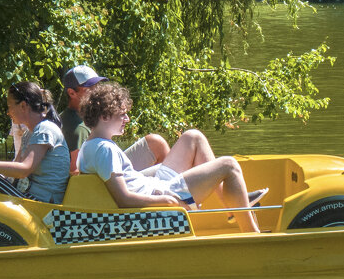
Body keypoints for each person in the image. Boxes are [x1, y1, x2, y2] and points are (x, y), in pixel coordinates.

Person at [78, 82, 262, 233]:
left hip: (154, 186)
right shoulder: (104, 150)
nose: (127, 119)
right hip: (161, 196)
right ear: (104, 116)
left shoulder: (91, 144)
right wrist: (165, 201)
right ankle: (252, 235)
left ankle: (232, 208)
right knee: (229, 164)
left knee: (193, 137)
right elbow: (123, 199)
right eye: (122, 114)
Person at [0, 81, 70, 203]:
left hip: (44, 204)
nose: (8, 112)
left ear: (23, 106)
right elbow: (13, 173)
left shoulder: (45, 129)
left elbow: (24, 170)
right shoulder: (29, 134)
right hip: (27, 195)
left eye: (10, 106)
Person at [59, 64, 170, 173]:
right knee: (157, 144)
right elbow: (76, 171)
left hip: (109, 168)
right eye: (90, 88)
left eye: (98, 85)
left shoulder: (73, 116)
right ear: (71, 93)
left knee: (155, 143)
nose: (97, 90)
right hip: (108, 179)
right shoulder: (77, 127)